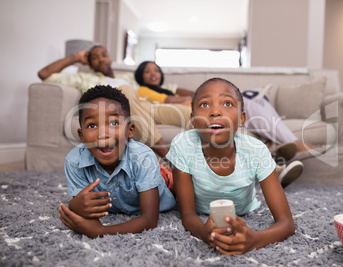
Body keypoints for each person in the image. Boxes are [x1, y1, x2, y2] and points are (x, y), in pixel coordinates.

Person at [166, 77, 295, 255]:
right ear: (193, 120)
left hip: (246, 208)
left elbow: (287, 224)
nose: (215, 111)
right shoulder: (182, 145)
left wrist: (254, 240)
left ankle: (275, 169)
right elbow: (188, 214)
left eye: (227, 103)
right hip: (200, 210)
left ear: (242, 119)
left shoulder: (256, 150)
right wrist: (204, 232)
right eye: (204, 105)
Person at [134, 61, 305, 185]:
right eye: (147, 71)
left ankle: (269, 153)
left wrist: (202, 98)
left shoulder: (171, 87)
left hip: (197, 110)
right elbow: (173, 99)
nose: (153, 73)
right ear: (140, 76)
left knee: (239, 116)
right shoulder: (142, 90)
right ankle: (273, 166)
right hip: (179, 111)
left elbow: (196, 93)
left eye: (156, 70)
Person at [58, 85, 176, 238]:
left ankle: (164, 172)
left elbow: (149, 219)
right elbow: (81, 205)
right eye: (92, 125)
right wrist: (75, 205)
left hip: (163, 183)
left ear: (130, 130)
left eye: (113, 123)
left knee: (180, 183)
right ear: (81, 136)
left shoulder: (143, 158)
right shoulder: (74, 161)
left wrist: (100, 231)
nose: (103, 134)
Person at [38, 45, 191, 158]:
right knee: (125, 90)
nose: (100, 59)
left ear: (109, 58)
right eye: (94, 58)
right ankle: (169, 159)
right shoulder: (85, 78)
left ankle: (212, 157)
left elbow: (165, 88)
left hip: (146, 106)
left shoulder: (129, 78)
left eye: (103, 55)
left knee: (189, 114)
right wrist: (76, 58)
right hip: (117, 109)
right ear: (90, 64)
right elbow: (44, 73)